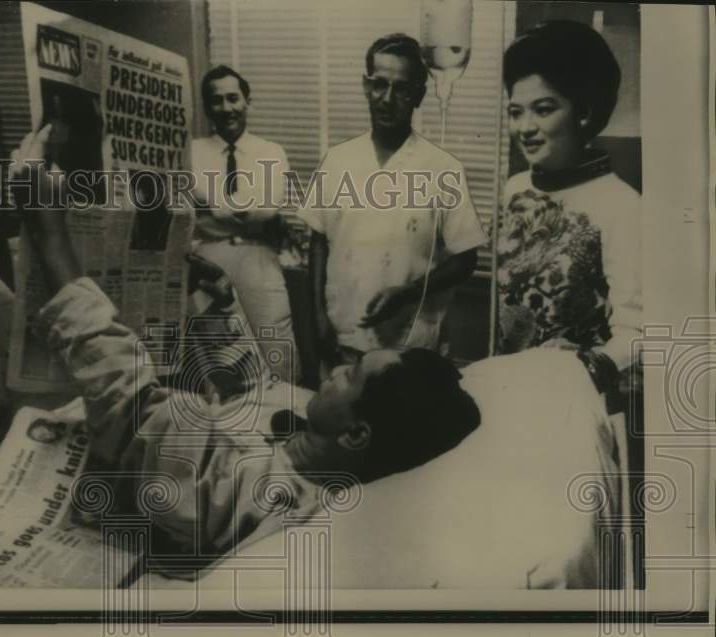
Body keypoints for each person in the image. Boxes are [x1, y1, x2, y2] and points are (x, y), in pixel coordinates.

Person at [0, 126, 481, 583]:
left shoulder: (279, 500)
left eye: (354, 374)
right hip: (52, 433)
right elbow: (243, 385)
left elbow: (139, 416)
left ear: (355, 435)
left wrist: (51, 239)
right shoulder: (300, 420)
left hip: (59, 487)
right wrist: (211, 299)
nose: (340, 366)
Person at [301, 34, 487, 371]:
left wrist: (408, 292)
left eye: (401, 89)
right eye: (379, 85)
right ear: (365, 86)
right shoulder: (337, 161)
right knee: (337, 419)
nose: (387, 99)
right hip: (340, 338)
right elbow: (317, 241)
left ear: (418, 95)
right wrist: (316, 316)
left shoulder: (442, 169)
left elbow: (466, 259)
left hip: (407, 347)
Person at [497, 21, 642, 393]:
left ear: (583, 112)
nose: (524, 127)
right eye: (516, 112)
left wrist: (590, 368)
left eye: (543, 110)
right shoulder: (514, 190)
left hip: (577, 400)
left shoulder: (623, 206)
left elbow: (639, 331)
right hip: (509, 388)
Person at [189, 65, 298, 382]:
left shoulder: (271, 152)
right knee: (219, 355)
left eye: (233, 98)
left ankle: (283, 418)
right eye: (216, 101)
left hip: (257, 259)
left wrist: (208, 205)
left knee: (276, 344)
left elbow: (266, 209)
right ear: (207, 107)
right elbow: (185, 208)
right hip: (208, 261)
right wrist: (239, 210)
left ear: (248, 101)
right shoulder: (191, 153)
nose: (226, 108)